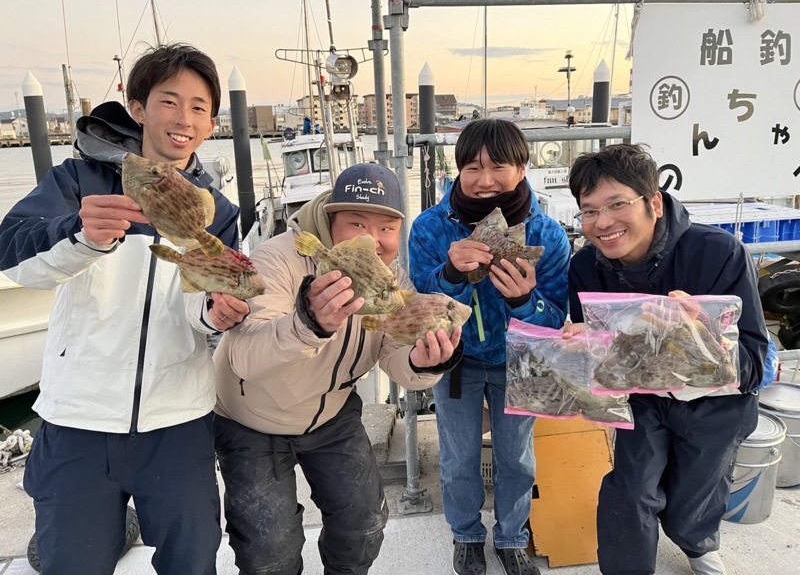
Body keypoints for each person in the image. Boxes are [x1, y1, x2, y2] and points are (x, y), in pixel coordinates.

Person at [0, 43, 248, 574]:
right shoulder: (79, 180)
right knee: (72, 562)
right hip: (79, 418)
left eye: (199, 107)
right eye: (168, 101)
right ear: (138, 107)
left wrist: (217, 313)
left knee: (192, 560)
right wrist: (81, 234)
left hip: (178, 420)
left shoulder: (219, 211)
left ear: (211, 124)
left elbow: (203, 301)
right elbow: (12, 255)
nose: (183, 119)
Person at [213, 162, 463, 575]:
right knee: (270, 552)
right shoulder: (276, 260)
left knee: (364, 526)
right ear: (331, 222)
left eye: (387, 228)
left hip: (331, 413)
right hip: (250, 419)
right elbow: (245, 357)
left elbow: (394, 357)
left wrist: (424, 362)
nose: (373, 241)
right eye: (357, 224)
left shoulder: (393, 281)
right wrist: (308, 323)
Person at [563, 144, 767, 575]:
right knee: (631, 491)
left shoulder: (719, 253)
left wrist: (700, 338)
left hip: (717, 403)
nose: (603, 222)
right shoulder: (584, 268)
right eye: (590, 211)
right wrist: (585, 351)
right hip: (641, 398)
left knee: (696, 495)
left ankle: (696, 542)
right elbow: (604, 362)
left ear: (654, 203)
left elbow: (754, 364)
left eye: (617, 204)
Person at [409, 119, 571, 575]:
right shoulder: (429, 228)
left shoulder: (547, 235)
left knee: (517, 457)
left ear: (522, 168)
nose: (485, 180)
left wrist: (525, 301)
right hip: (456, 361)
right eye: (472, 168)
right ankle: (466, 535)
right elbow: (421, 308)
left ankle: (512, 536)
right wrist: (450, 275)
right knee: (458, 456)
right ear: (458, 170)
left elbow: (555, 322)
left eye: (498, 166)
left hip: (522, 361)